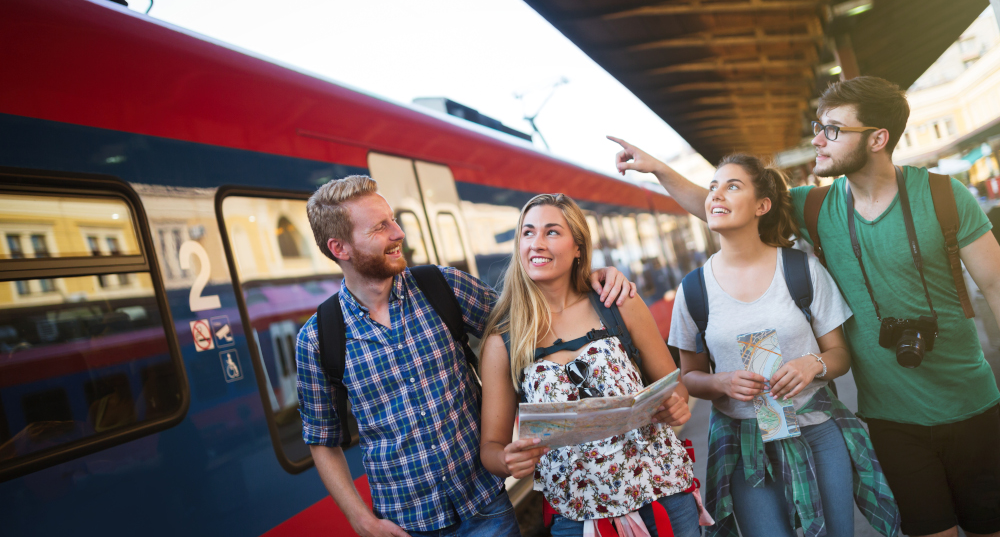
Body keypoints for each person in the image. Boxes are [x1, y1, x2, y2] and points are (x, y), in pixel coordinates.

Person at [610, 75, 1000, 537]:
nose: (818, 138)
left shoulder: (943, 196)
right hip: (891, 419)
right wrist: (659, 168)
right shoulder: (815, 208)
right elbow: (723, 205)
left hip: (975, 405)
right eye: (819, 125)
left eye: (833, 129)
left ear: (878, 138)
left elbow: (995, 285)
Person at [295, 176, 637, 537]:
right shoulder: (318, 339)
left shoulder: (442, 286)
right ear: (340, 248)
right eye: (381, 227)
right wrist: (360, 520)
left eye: (393, 220)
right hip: (405, 523)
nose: (398, 233)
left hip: (484, 508)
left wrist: (588, 279)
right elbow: (323, 440)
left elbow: (533, 320)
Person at [667, 154, 898, 537]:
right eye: (712, 187)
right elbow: (689, 376)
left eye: (732, 185)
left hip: (817, 432)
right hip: (744, 448)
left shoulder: (801, 270)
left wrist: (812, 364)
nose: (716, 194)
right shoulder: (693, 290)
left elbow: (839, 354)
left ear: (763, 206)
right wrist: (721, 383)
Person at [478, 193, 701, 537]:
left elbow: (676, 389)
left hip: (664, 496)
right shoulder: (503, 340)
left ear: (578, 247)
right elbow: (491, 448)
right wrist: (508, 461)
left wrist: (675, 406)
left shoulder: (618, 303)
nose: (536, 243)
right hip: (577, 518)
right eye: (527, 232)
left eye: (552, 232)